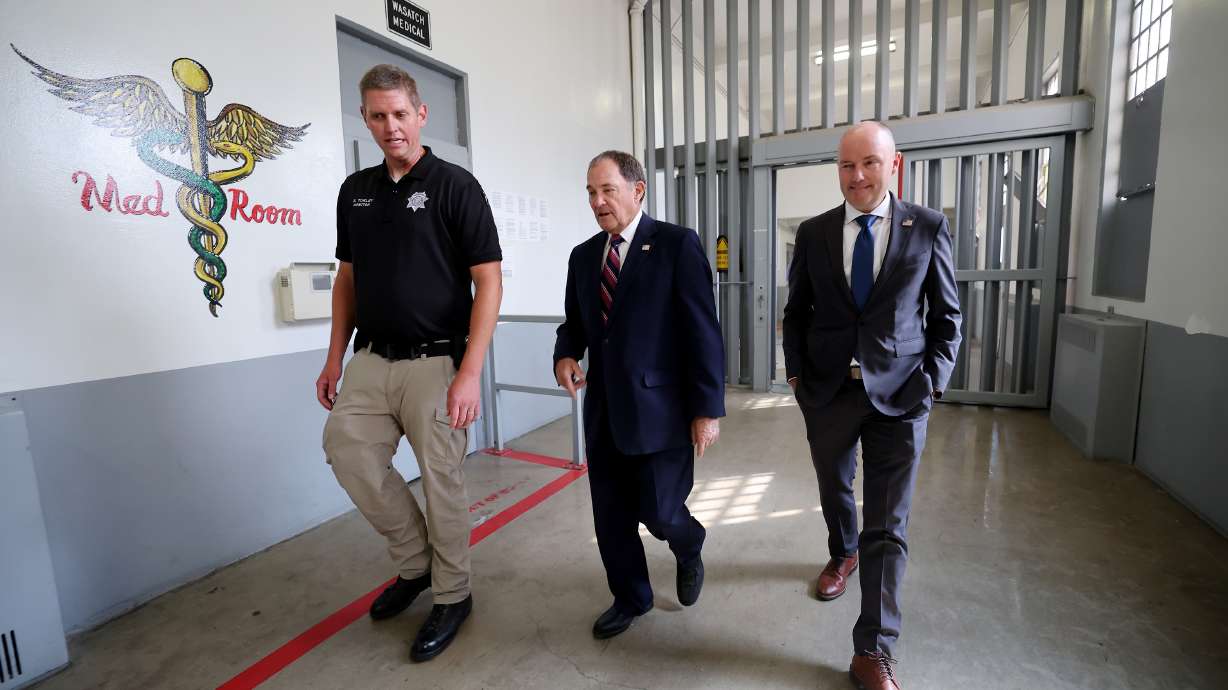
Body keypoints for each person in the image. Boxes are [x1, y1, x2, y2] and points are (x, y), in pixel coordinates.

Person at [315, 63, 502, 663]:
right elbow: (347, 279)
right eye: (377, 115)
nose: (390, 126)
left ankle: (453, 593)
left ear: (421, 114)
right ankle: (416, 564)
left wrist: (470, 371)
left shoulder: (455, 186)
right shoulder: (356, 191)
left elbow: (489, 284)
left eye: (400, 113)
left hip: (437, 363)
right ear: (365, 118)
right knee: (346, 449)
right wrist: (333, 357)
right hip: (371, 358)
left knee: (441, 481)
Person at [782, 121, 961, 690]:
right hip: (830, 391)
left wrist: (930, 383)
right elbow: (796, 311)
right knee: (834, 488)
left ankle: (872, 649)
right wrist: (795, 374)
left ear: (894, 164)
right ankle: (842, 552)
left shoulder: (926, 226)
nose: (856, 176)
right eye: (845, 166)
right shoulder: (814, 232)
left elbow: (946, 318)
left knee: (889, 523)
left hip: (902, 395)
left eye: (868, 164)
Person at [553, 150, 725, 639]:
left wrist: (707, 410)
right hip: (604, 411)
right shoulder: (584, 257)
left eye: (608, 190)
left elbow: (702, 332)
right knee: (610, 516)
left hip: (661, 412)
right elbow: (575, 325)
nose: (598, 201)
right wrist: (566, 355)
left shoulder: (675, 245)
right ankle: (632, 596)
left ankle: (689, 545)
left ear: (637, 190)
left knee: (661, 511)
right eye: (591, 191)